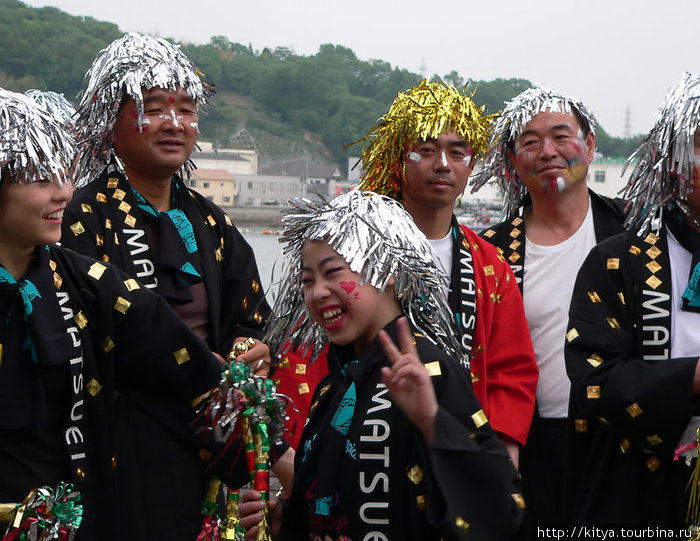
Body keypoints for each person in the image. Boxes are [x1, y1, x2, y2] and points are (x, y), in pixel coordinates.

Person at [59, 32, 291, 538]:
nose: (173, 123)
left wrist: (250, 348)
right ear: (109, 121)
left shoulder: (211, 222)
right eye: (153, 107)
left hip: (209, 444)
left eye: (186, 110)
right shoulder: (78, 218)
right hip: (122, 438)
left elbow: (252, 319)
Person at [0, 88, 249, 540]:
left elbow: (172, 351)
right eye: (41, 179)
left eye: (65, 174)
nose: (62, 192)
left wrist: (266, 449)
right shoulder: (87, 221)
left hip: (68, 512)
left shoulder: (86, 281)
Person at [242, 189, 525, 540]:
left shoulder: (427, 371)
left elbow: (501, 509)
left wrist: (432, 423)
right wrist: (288, 518)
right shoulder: (333, 387)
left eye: (333, 272)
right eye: (307, 280)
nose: (318, 293)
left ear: (387, 269)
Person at [354, 80, 538, 468]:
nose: (442, 163)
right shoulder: (356, 249)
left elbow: (511, 370)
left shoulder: (491, 265)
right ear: (396, 156)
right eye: (425, 149)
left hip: (463, 448)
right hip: (368, 446)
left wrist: (503, 455)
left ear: (470, 165)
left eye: (457, 152)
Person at [470, 84, 627, 528]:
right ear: (512, 160)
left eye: (562, 136)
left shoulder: (637, 233)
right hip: (530, 444)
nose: (548, 151)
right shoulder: (490, 254)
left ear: (590, 145)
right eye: (531, 141)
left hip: (620, 438)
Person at [564, 72, 700, 524]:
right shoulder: (616, 261)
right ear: (672, 161)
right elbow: (594, 384)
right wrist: (694, 378)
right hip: (639, 494)